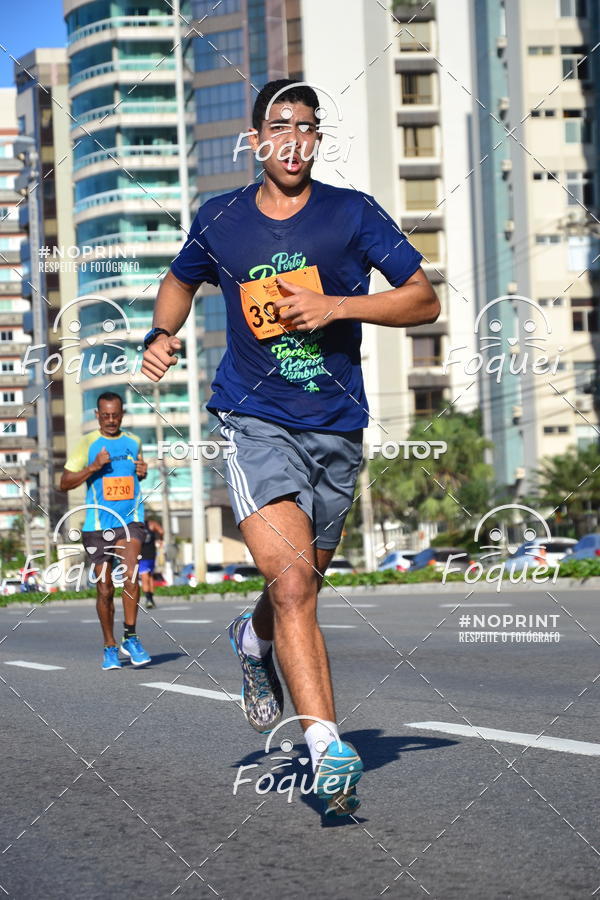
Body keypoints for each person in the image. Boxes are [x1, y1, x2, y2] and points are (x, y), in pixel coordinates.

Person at [141, 80, 439, 816]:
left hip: (335, 426)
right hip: (253, 419)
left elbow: (422, 298)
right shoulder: (222, 221)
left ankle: (251, 637)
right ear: (256, 140)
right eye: (281, 126)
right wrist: (161, 334)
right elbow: (179, 282)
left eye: (309, 127)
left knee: (299, 585)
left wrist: (337, 303)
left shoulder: (351, 215)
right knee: (296, 581)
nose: (295, 140)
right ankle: (327, 749)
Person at [60, 392, 152, 670]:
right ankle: (110, 645)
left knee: (131, 575)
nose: (111, 420)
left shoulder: (133, 442)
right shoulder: (87, 444)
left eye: (116, 415)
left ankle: (131, 637)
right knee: (104, 589)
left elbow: (136, 472)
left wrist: (143, 471)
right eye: (106, 415)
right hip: (98, 526)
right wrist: (93, 467)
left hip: (130, 521)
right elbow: (64, 483)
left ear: (122, 414)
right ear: (97, 415)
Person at [140, 518, 164, 609]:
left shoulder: (134, 526)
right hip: (152, 554)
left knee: (145, 578)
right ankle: (151, 599)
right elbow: (161, 531)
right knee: (150, 577)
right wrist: (160, 539)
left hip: (142, 556)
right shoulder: (151, 524)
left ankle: (148, 599)